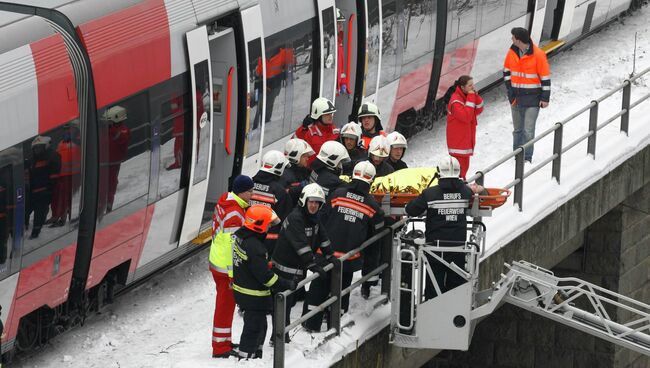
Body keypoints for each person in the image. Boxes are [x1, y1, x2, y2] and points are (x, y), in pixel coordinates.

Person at [302, 161, 385, 332]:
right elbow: (375, 240)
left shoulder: (336, 194)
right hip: (348, 260)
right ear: (371, 180)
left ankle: (310, 324)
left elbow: (321, 220)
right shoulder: (373, 206)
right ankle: (334, 324)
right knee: (341, 292)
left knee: (318, 289)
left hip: (325, 254)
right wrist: (370, 274)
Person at [404, 156, 477, 299]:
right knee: (456, 289)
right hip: (458, 249)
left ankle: (431, 315)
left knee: (434, 288)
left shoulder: (430, 194)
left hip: (434, 250)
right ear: (458, 172)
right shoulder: (466, 192)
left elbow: (411, 210)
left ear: (439, 172)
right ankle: (454, 316)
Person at [232, 205, 296, 360]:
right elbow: (267, 278)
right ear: (258, 225)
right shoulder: (256, 247)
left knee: (260, 326)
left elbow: (249, 264)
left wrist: (264, 264)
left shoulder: (241, 237)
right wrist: (287, 284)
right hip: (254, 297)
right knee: (254, 329)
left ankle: (255, 356)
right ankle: (246, 359)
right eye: (267, 224)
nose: (269, 228)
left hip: (243, 291)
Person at [271, 183, 332, 341]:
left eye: (317, 203)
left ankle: (281, 336)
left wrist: (330, 255)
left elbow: (322, 236)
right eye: (311, 201)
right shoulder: (295, 218)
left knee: (288, 303)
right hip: (285, 269)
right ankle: (279, 338)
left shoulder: (313, 217)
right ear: (304, 201)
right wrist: (312, 265)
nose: (314, 205)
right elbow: (300, 245)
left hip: (296, 268)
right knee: (283, 304)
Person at [209, 175, 253, 358]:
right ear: (242, 192)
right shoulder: (235, 213)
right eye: (250, 191)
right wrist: (232, 273)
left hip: (217, 262)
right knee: (225, 306)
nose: (252, 194)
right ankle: (220, 348)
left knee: (226, 305)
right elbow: (230, 246)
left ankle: (224, 341)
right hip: (225, 267)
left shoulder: (226, 202)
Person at [504, 27, 551, 164]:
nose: (511, 39)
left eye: (513, 37)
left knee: (528, 131)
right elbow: (506, 73)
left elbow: (545, 78)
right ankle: (517, 157)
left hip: (532, 99)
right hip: (516, 99)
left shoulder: (538, 55)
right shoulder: (512, 52)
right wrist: (510, 93)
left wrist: (545, 98)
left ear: (518, 40)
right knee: (518, 130)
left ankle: (526, 158)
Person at [251, 150, 292, 256]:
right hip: (270, 243)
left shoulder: (249, 185)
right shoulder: (280, 192)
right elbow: (285, 220)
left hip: (247, 239)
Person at [446, 75, 484, 179]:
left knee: (464, 170)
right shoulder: (456, 101)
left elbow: (479, 109)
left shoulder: (466, 96)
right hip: (458, 145)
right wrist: (472, 97)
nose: (473, 87)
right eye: (470, 85)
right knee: (459, 172)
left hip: (464, 142)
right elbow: (466, 117)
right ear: (462, 87)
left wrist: (475, 96)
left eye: (473, 85)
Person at [27, 136, 61, 239]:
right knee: (26, 210)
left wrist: (50, 188)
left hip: (45, 190)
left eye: (39, 148)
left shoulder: (53, 156)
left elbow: (55, 173)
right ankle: (24, 227)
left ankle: (35, 233)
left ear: (45, 147)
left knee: (39, 212)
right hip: (33, 191)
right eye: (35, 148)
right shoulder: (33, 160)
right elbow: (30, 175)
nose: (37, 150)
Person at [101, 106, 131, 214]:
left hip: (113, 163)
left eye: (109, 121)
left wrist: (110, 128)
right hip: (102, 163)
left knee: (110, 185)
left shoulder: (123, 131)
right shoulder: (108, 131)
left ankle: (108, 207)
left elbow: (120, 138)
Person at [51, 125, 81, 226]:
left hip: (73, 175)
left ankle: (68, 217)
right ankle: (63, 217)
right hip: (63, 175)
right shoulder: (61, 144)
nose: (66, 132)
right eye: (65, 130)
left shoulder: (77, 142)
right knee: (63, 197)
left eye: (68, 130)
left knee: (69, 197)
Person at [295, 97, 340, 166]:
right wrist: (303, 129)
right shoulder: (308, 132)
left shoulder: (335, 132)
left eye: (331, 113)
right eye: (327, 114)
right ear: (318, 116)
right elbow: (294, 146)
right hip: (310, 172)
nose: (331, 116)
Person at [282, 139, 315, 205]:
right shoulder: (285, 175)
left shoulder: (304, 170)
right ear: (296, 156)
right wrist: (300, 187)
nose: (307, 158)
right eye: (305, 156)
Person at [336, 8, 349, 96]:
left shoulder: (339, 44)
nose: (341, 26)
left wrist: (343, 83)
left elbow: (341, 70)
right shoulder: (334, 45)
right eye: (338, 23)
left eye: (341, 23)